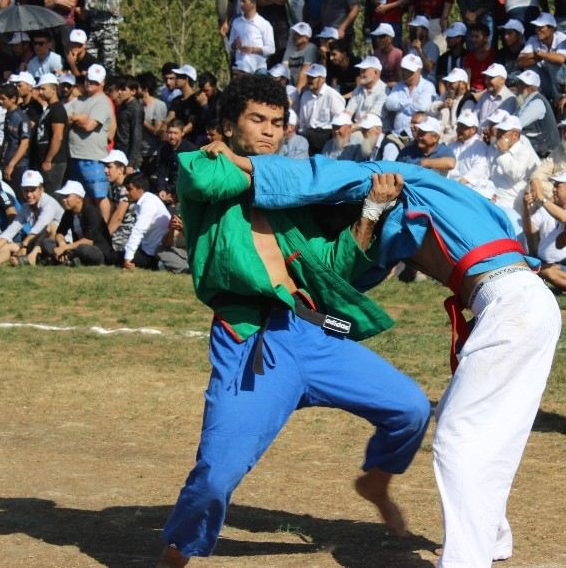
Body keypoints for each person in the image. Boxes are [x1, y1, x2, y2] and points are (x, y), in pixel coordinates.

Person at [241, 135, 561, 568]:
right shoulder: (440, 205)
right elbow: (355, 275)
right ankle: (494, 537)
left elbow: (326, 176)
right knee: (487, 430)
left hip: (511, 303)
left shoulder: (408, 179)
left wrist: (246, 167)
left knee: (460, 440)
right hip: (526, 301)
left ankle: (469, 560)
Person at [155, 74, 431, 567]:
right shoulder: (204, 164)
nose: (268, 132)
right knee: (217, 475)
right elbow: (204, 178)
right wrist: (287, 177)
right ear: (227, 127)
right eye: (256, 120)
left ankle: (375, 480)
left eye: (277, 123)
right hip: (250, 342)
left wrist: (370, 210)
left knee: (410, 408)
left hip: (312, 330)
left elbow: (330, 264)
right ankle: (178, 552)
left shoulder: (292, 192)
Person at [66, 64, 114, 216]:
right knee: (81, 196)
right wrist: (78, 118)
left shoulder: (103, 102)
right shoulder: (78, 100)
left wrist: (75, 118)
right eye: (88, 80)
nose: (90, 84)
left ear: (102, 83)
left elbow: (88, 125)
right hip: (74, 156)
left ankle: (104, 230)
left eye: (94, 82)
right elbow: (62, 116)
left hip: (93, 158)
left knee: (99, 196)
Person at [120, 172, 170, 270]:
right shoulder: (146, 200)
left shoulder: (148, 203)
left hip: (154, 252)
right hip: (149, 248)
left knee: (117, 257)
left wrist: (128, 258)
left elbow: (139, 230)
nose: (126, 192)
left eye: (129, 189)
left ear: (140, 189)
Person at [383, 54, 437, 137]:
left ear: (419, 71)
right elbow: (389, 104)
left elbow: (422, 107)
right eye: (404, 70)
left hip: (417, 136)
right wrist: (409, 102)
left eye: (409, 71)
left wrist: (399, 105)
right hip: (396, 134)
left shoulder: (428, 86)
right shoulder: (398, 86)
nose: (405, 73)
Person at [513, 69, 559, 158]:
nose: (517, 87)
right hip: (536, 149)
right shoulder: (525, 101)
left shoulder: (537, 102)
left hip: (544, 153)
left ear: (530, 88)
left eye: (521, 84)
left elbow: (517, 123)